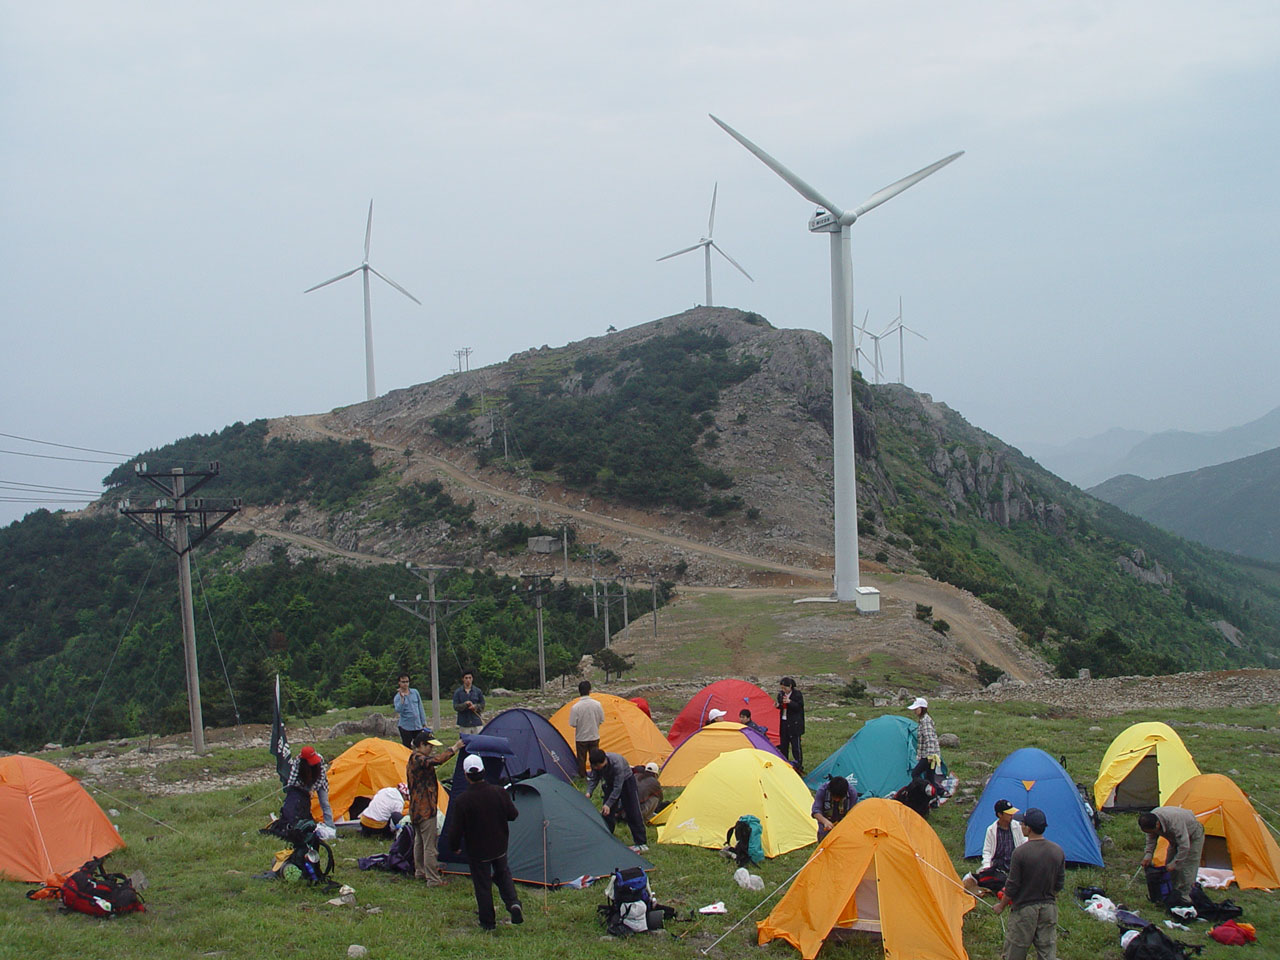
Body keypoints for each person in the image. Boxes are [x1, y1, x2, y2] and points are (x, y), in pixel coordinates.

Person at [445, 754, 523, 930]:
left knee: (482, 885)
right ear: (483, 771)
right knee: (503, 874)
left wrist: (454, 847)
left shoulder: (462, 800)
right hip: (499, 845)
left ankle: (488, 922)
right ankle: (513, 903)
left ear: (466, 775)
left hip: (478, 851)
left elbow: (456, 828)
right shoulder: (499, 792)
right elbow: (513, 814)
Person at [993, 808, 1065, 960]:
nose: (1020, 826)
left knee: (1015, 951)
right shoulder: (1057, 851)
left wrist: (1001, 906)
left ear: (1029, 828)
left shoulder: (1020, 853)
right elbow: (1059, 883)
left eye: (1022, 823)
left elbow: (1012, 885)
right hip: (1049, 909)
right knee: (1047, 952)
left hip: (1024, 911)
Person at [407, 733, 461, 884]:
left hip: (415, 808)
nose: (431, 749)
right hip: (425, 808)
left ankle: (420, 871)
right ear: (421, 745)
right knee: (430, 846)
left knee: (419, 842)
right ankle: (433, 879)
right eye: (429, 746)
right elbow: (437, 761)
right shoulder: (418, 759)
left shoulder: (412, 758)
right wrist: (454, 748)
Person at [586, 748, 648, 852]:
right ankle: (607, 838)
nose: (596, 768)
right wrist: (589, 792)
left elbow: (618, 787)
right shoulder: (596, 765)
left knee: (632, 811)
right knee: (606, 813)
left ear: (604, 761)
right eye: (594, 767)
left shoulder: (617, 763)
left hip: (626, 781)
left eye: (598, 766)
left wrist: (608, 804)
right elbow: (594, 778)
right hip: (610, 783)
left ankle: (641, 843)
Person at [1139, 806, 1205, 904]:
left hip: (1192, 836)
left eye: (1152, 831)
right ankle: (1171, 894)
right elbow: (1151, 839)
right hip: (1174, 839)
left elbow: (1184, 846)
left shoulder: (1175, 823)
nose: (1151, 833)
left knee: (1186, 868)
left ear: (1157, 824)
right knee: (1169, 866)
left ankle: (1185, 897)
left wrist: (1175, 863)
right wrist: (1148, 855)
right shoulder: (1150, 820)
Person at [964, 799, 1027, 895]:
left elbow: (1025, 844)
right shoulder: (991, 830)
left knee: (1015, 879)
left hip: (1014, 865)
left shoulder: (1017, 827)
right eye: (1008, 814)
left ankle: (997, 887)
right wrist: (987, 866)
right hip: (998, 867)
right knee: (990, 876)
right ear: (1000, 815)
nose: (1011, 816)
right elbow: (987, 851)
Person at [280, 745, 335, 829]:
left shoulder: (319, 759)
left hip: (319, 783)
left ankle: (330, 826)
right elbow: (292, 780)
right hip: (304, 782)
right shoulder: (298, 762)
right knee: (301, 802)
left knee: (325, 803)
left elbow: (321, 778)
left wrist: (312, 789)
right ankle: (299, 820)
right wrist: (303, 789)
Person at [568, 680, 605, 776]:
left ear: (579, 691)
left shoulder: (575, 707)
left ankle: (582, 776)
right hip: (594, 735)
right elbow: (601, 720)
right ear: (590, 690)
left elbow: (572, 723)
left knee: (581, 759)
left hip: (581, 737)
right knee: (595, 757)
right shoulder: (597, 704)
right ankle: (596, 774)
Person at [908, 697, 942, 790]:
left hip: (929, 756)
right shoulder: (923, 720)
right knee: (930, 778)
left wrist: (930, 756)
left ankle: (926, 791)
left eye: (916, 709)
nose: (914, 711)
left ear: (922, 708)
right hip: (929, 755)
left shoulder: (925, 721)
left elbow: (930, 739)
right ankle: (937, 793)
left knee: (915, 773)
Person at [812, 776, 856, 840]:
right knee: (824, 839)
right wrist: (825, 822)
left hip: (844, 824)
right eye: (834, 797)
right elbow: (816, 811)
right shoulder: (822, 790)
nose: (837, 800)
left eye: (840, 798)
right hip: (825, 823)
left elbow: (853, 812)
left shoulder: (852, 793)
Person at [776, 677, 805, 772]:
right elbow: (781, 705)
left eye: (785, 688)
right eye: (782, 688)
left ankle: (798, 765)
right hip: (784, 721)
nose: (783, 690)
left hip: (794, 723)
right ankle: (784, 764)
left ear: (790, 686)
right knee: (784, 744)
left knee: (795, 746)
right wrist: (778, 705)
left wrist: (790, 702)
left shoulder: (797, 694)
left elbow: (799, 707)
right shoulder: (780, 695)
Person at [394, 673, 428, 748]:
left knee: (420, 745)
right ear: (399, 683)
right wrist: (402, 699)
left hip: (417, 725)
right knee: (406, 747)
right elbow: (398, 710)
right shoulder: (397, 697)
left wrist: (423, 722)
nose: (405, 684)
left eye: (407, 682)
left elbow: (420, 707)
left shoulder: (415, 692)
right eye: (403, 682)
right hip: (405, 726)